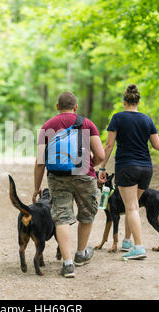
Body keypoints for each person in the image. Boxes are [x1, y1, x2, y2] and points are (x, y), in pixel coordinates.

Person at [34, 92, 105, 278]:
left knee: (62, 217)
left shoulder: (47, 126)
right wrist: (90, 166)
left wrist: (36, 187)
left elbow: (40, 162)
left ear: (57, 107)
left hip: (57, 177)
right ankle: (80, 254)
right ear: (76, 107)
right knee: (87, 214)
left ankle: (67, 264)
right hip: (84, 175)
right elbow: (101, 155)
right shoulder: (87, 123)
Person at [98, 84, 159, 260]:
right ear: (138, 101)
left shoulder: (118, 118)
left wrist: (102, 167)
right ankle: (127, 241)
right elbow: (158, 146)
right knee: (131, 205)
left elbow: (109, 145)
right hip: (146, 168)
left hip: (127, 167)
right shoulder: (147, 119)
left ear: (124, 102)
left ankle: (139, 247)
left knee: (131, 206)